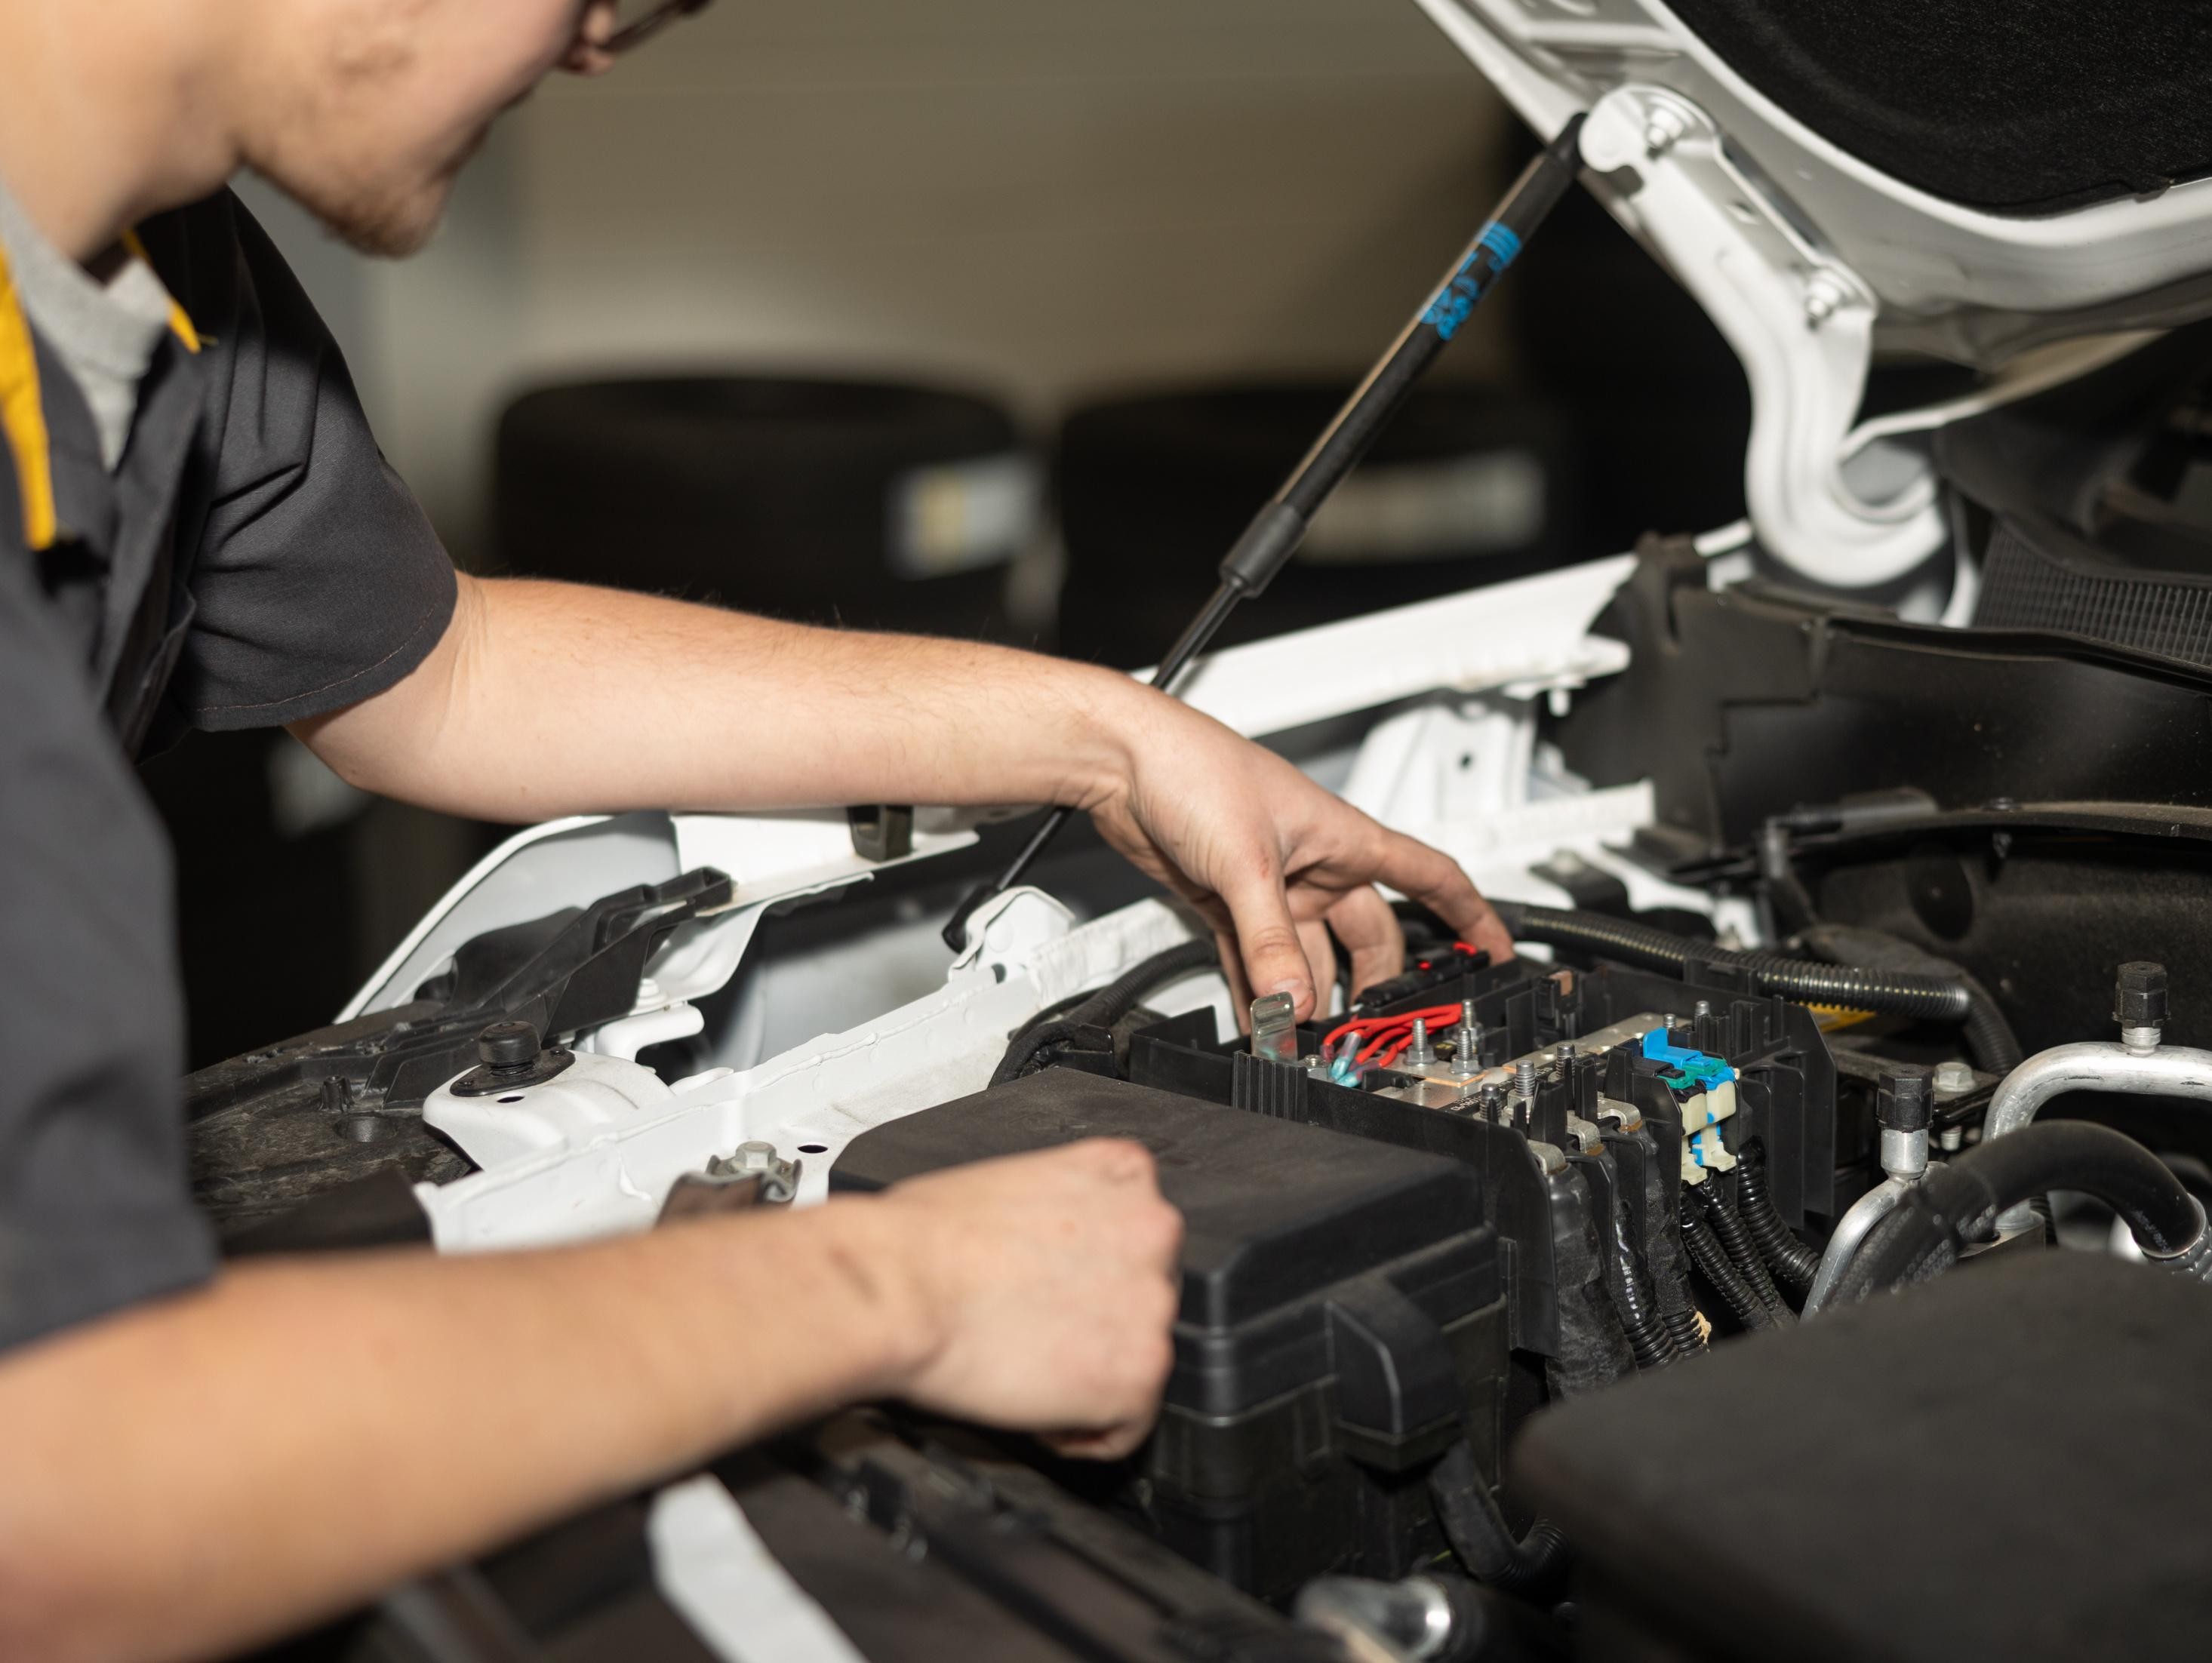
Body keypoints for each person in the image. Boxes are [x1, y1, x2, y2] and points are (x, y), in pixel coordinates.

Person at [0, 3, 1511, 1658]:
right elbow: (65, 1508)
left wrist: (1108, 739)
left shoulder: (146, 262)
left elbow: (432, 670)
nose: (594, 54)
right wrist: (893, 1290)